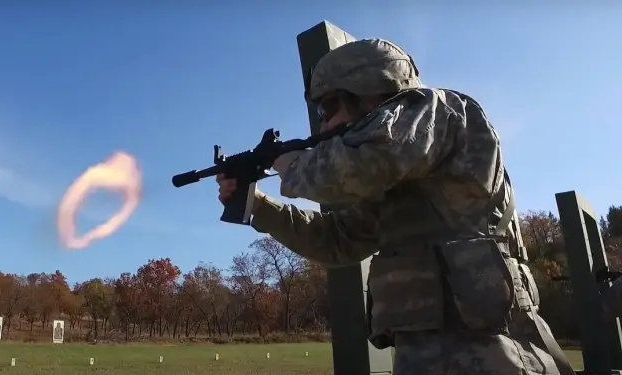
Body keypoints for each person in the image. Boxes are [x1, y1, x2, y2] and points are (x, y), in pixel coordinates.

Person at [217, 39, 574, 375]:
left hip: (492, 350)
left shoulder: (434, 110)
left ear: (367, 91)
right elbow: (338, 240)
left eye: (329, 107)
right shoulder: (393, 179)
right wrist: (258, 205)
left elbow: (362, 163)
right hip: (429, 353)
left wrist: (287, 162)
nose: (324, 124)